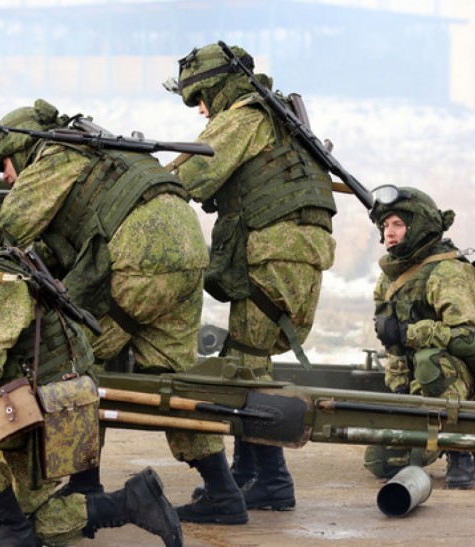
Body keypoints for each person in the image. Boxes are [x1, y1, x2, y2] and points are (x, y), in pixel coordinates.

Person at [0, 99, 248, 525]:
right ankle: (223, 493)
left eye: (5, 165)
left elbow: (7, 234)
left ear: (19, 150)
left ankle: (85, 485)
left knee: (72, 360)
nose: (7, 176)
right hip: (186, 247)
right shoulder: (103, 150)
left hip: (140, 255)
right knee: (174, 377)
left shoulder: (53, 155)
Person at [0, 181, 183, 547]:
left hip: (44, 413)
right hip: (31, 404)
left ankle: (11, 529)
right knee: (37, 523)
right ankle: (133, 501)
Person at [165, 42, 338, 512]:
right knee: (243, 357)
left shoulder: (245, 116)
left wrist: (143, 182)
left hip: (276, 255)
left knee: (246, 366)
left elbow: (190, 178)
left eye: (199, 96)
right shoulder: (275, 117)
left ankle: (274, 483)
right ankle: (247, 474)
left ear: (219, 85)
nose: (200, 109)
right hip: (293, 255)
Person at [364, 184, 475, 488]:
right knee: (380, 462)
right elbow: (392, 344)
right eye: (385, 225)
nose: (389, 232)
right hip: (415, 386)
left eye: (398, 224)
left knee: (428, 360)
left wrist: (410, 333)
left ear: (418, 227)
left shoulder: (447, 271)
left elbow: (468, 337)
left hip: (465, 379)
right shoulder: (390, 275)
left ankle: (462, 451)